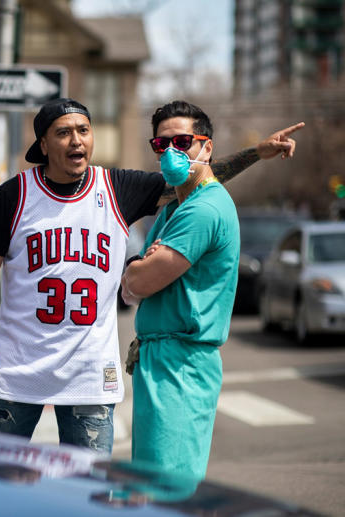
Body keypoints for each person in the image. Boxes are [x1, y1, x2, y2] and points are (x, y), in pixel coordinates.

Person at [0, 97, 302, 453]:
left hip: (89, 375)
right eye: (63, 133)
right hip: (17, 370)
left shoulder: (116, 188)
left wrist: (257, 152)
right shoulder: (15, 194)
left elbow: (197, 171)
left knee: (87, 495)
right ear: (44, 145)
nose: (76, 140)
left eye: (83, 130)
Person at [120, 101, 258, 478]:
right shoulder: (173, 209)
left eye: (182, 142)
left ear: (207, 147)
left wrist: (134, 268)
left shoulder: (203, 210)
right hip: (161, 360)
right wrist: (140, 270)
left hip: (180, 365)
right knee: (151, 483)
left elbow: (140, 283)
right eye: (161, 145)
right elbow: (137, 285)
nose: (171, 153)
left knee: (168, 487)